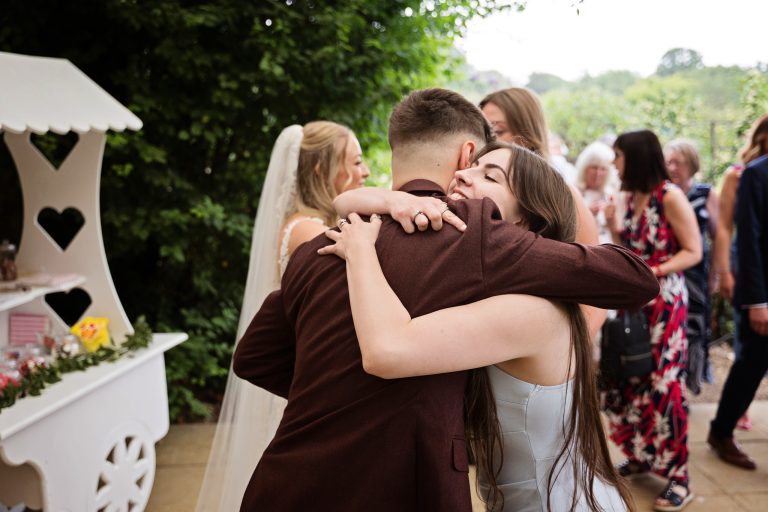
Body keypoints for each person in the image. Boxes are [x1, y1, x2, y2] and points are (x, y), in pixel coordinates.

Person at [233, 88, 658, 511]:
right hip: (411, 489)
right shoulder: (475, 236)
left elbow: (254, 357)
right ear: (465, 154)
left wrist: (332, 399)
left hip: (283, 484)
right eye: (477, 167)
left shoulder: (327, 239)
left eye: (489, 175)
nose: (468, 177)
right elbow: (634, 278)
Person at [321, 141, 633, 511]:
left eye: (489, 176)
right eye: (471, 165)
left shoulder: (530, 311)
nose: (461, 174)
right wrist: (392, 202)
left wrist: (361, 253)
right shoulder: (495, 288)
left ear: (524, 221)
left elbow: (385, 351)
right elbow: (342, 202)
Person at [195, 121, 369, 511]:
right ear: (323, 171)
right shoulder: (309, 231)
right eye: (356, 162)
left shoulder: (304, 222)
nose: (366, 172)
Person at [604, 130, 701, 512]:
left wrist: (653, 270)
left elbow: (693, 251)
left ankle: (680, 477)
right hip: (636, 302)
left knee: (664, 385)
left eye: (619, 156)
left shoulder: (670, 196)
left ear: (637, 157)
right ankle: (642, 455)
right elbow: (629, 247)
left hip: (665, 305)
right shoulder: (630, 197)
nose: (614, 163)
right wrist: (613, 227)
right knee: (633, 378)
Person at [479, 87, 604, 334]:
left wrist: (568, 355)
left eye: (498, 131)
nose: (490, 141)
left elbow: (599, 284)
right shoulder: (476, 192)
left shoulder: (564, 196)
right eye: (484, 132)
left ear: (527, 133)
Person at [708, 116, 768, 470]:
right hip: (759, 288)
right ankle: (721, 431)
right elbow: (743, 239)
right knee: (751, 364)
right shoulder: (752, 175)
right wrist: (755, 298)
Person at [664, 139, 719, 395]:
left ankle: (691, 383)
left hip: (697, 272)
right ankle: (671, 379)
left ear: (692, 165)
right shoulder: (663, 193)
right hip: (669, 268)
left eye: (679, 162)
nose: (673, 167)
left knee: (696, 327)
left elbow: (719, 236)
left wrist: (716, 274)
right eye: (669, 162)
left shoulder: (706, 194)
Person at [575, 141, 617, 244]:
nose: (598, 173)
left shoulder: (611, 195)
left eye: (603, 169)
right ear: (584, 168)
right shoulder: (574, 192)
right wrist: (587, 213)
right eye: (594, 167)